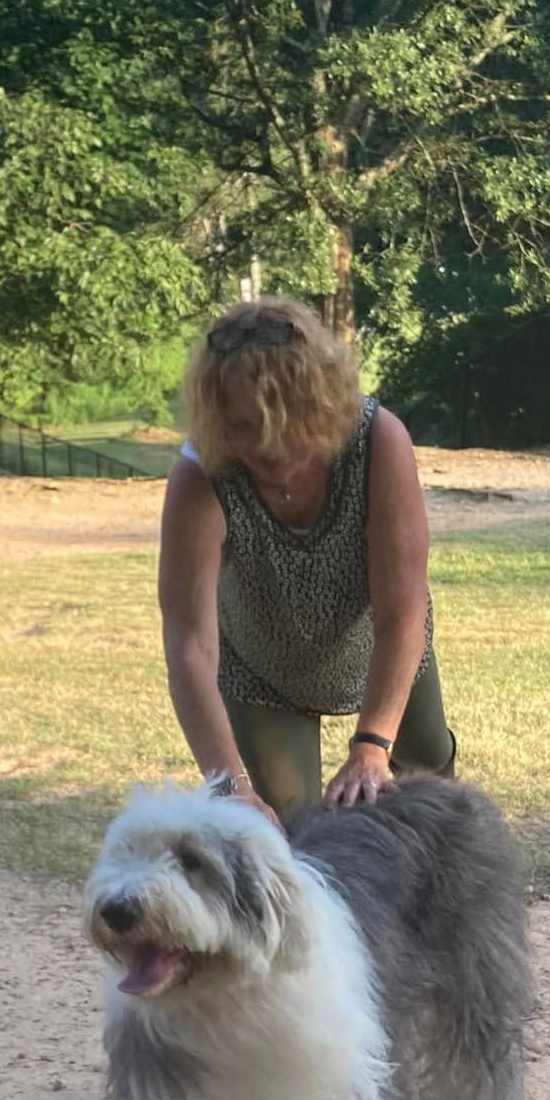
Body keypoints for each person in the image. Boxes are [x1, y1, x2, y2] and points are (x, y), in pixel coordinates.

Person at [158, 295, 455, 825]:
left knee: (426, 780)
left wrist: (370, 745)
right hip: (262, 667)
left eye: (282, 422)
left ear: (321, 404)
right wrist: (229, 788)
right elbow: (188, 646)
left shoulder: (379, 441)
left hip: (376, 642)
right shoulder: (200, 473)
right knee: (287, 827)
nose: (264, 447)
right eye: (241, 425)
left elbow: (403, 609)